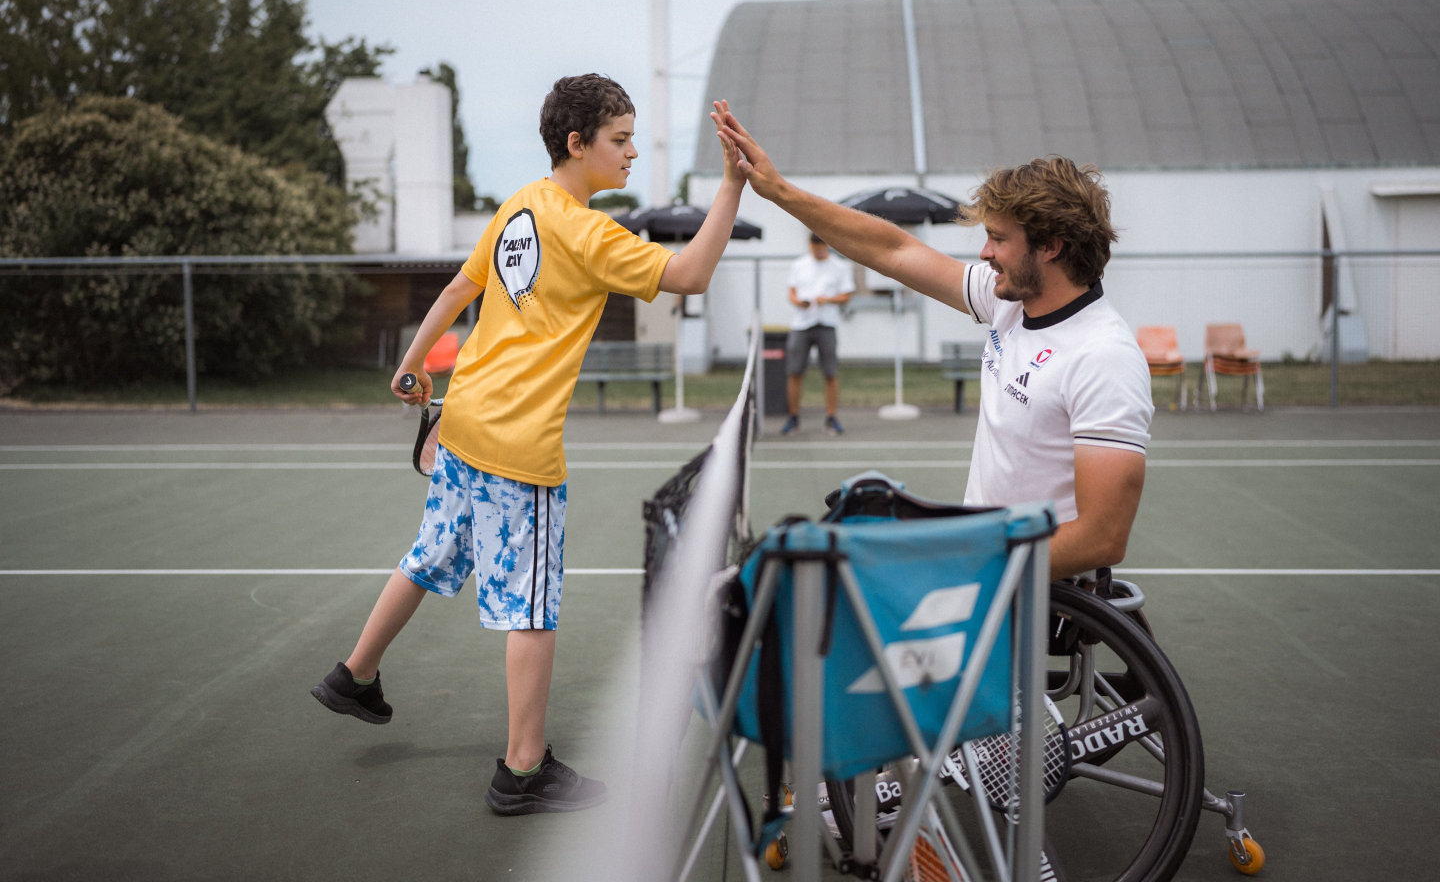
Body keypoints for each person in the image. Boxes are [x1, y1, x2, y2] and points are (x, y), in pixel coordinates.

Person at [311, 76, 747, 815]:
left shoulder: (520, 205)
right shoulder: (590, 234)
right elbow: (693, 274)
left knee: (429, 555)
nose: (632, 152)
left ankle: (354, 673)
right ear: (577, 144)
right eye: (620, 139)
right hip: (519, 448)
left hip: (463, 425)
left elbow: (458, 289)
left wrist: (412, 365)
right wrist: (733, 185)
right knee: (531, 608)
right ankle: (522, 770)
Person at [716, 108, 1152, 581]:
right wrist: (779, 191)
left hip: (1031, 591)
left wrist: (965, 562)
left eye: (998, 239)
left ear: (1051, 247)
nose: (985, 253)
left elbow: (1102, 538)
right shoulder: (1007, 301)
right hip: (987, 567)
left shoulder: (1103, 356)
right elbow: (894, 250)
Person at [782, 234, 855, 435]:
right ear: (810, 245)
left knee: (830, 372)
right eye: (814, 247)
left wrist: (827, 300)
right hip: (801, 325)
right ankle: (793, 417)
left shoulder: (840, 266)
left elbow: (846, 296)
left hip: (827, 324)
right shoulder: (798, 265)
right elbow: (791, 293)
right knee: (794, 372)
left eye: (821, 247)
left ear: (827, 245)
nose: (818, 251)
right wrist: (798, 302)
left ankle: (831, 418)